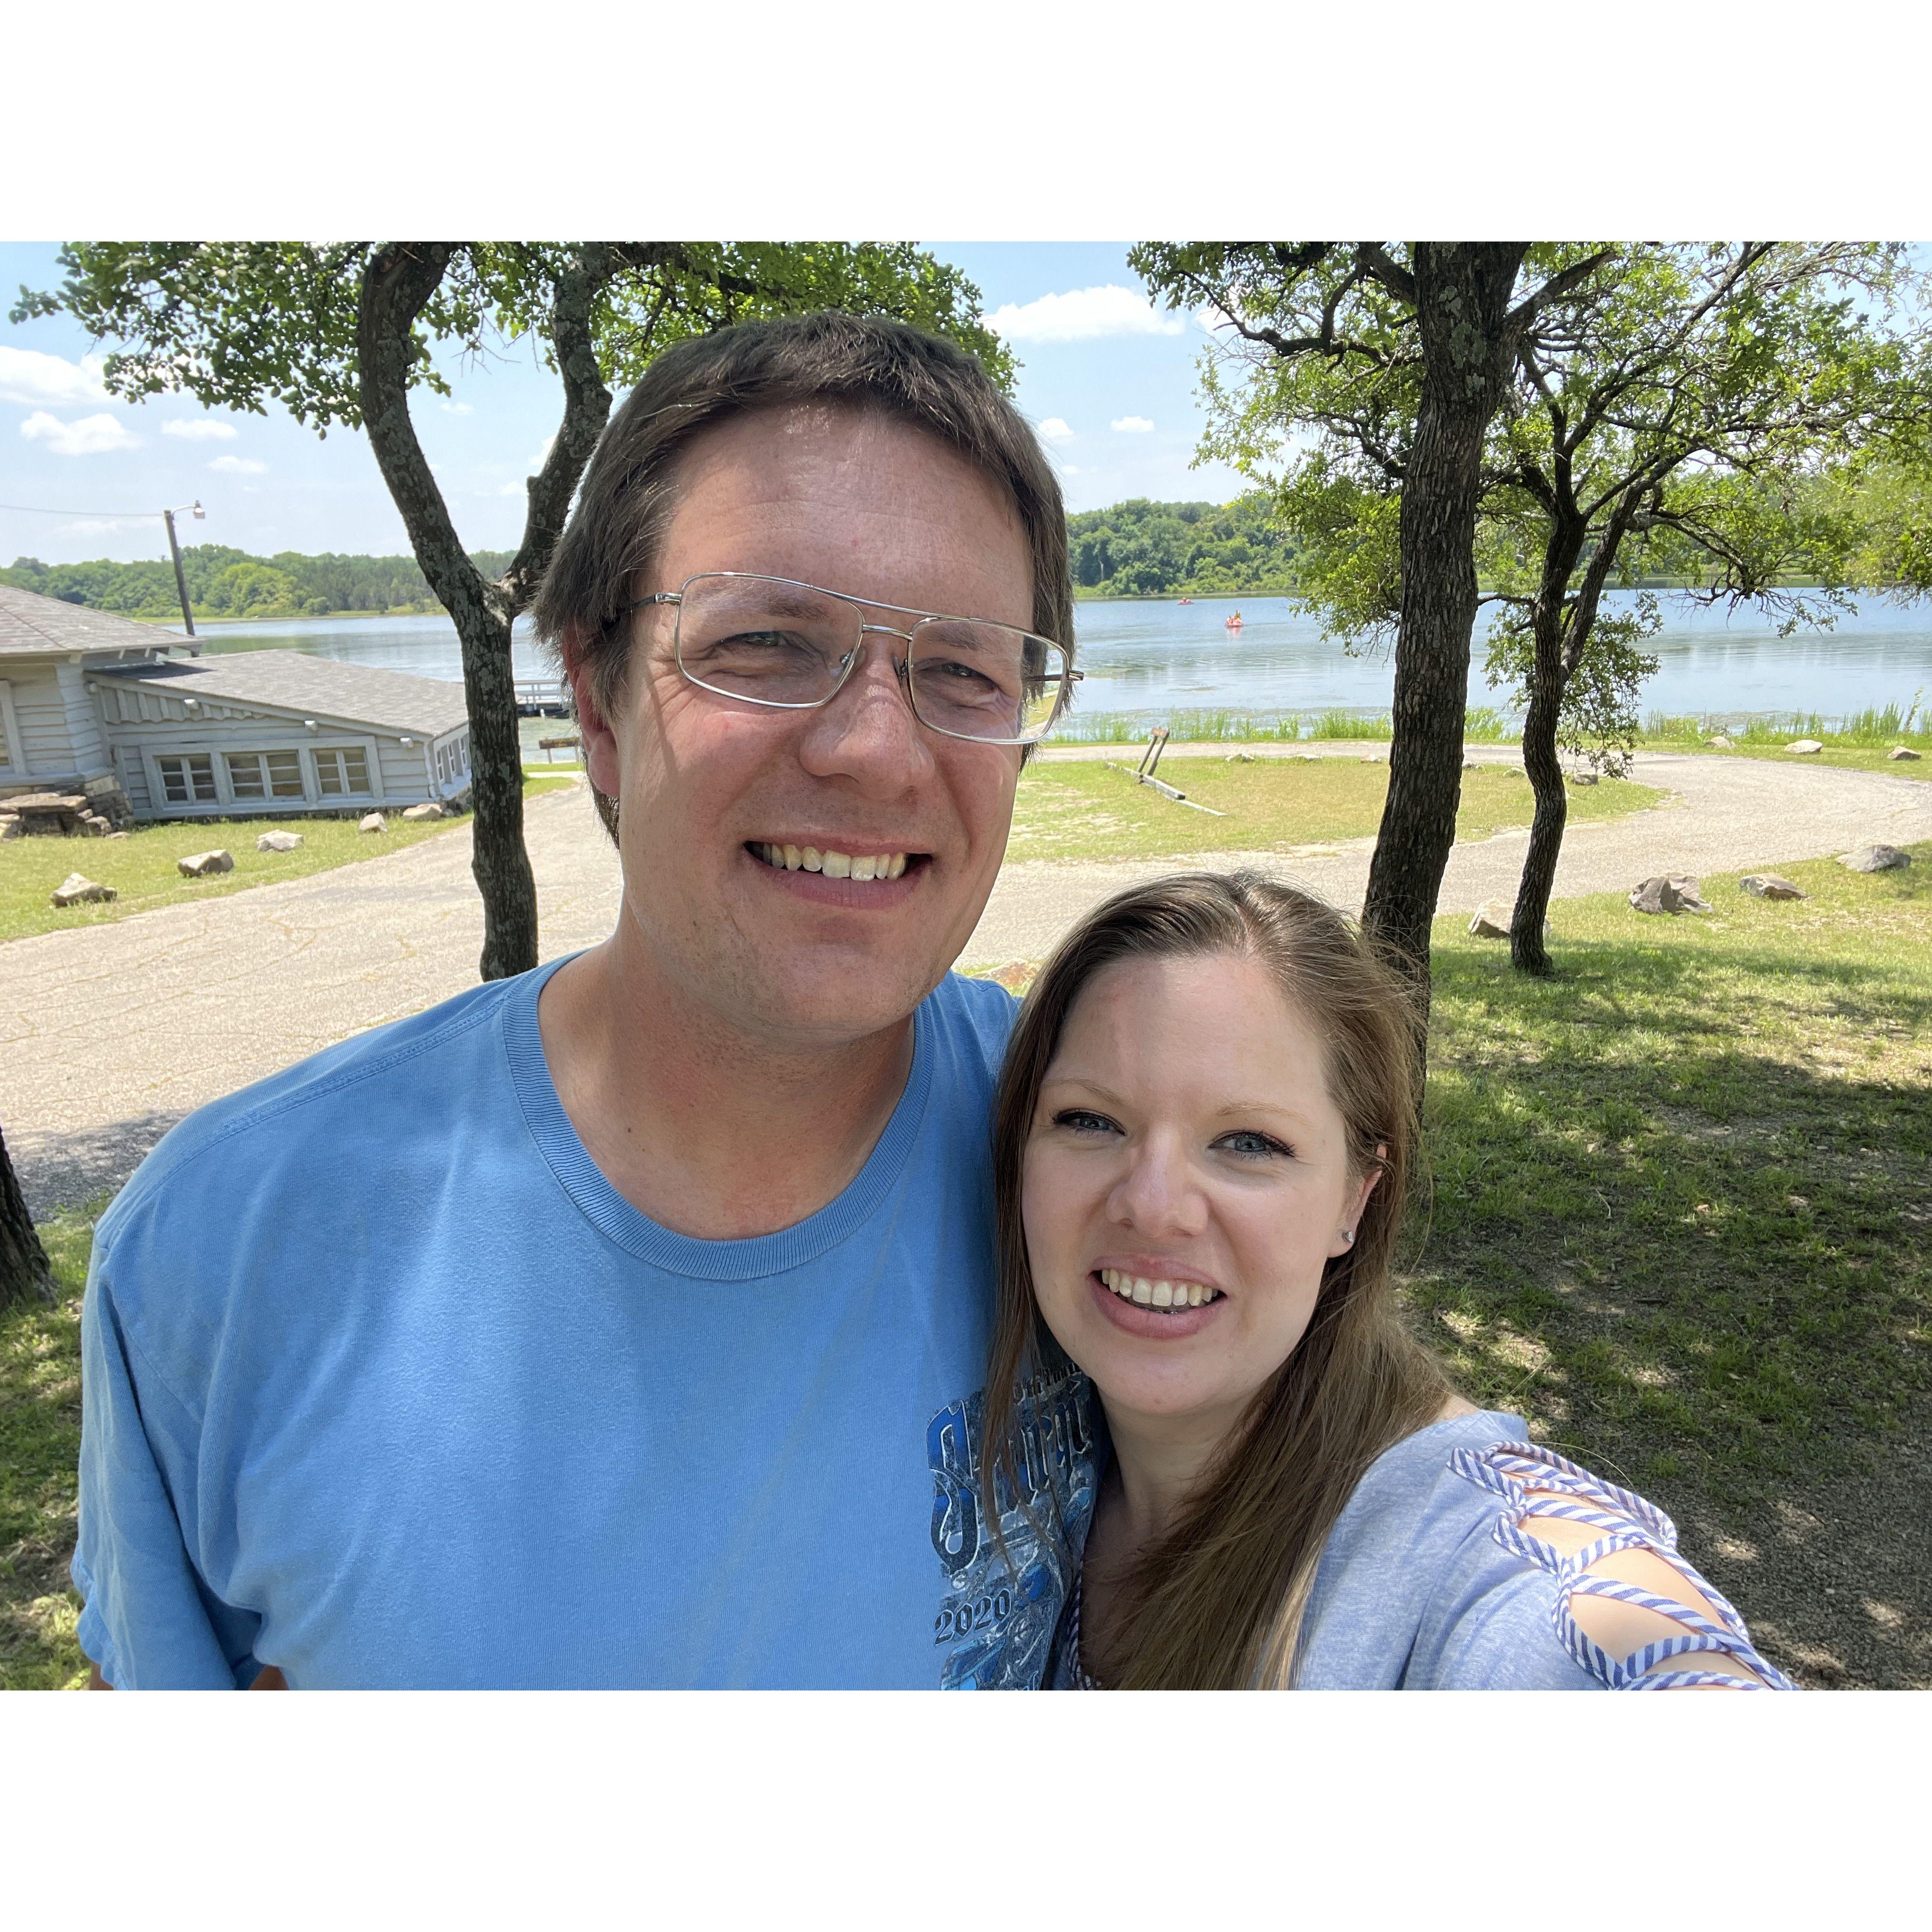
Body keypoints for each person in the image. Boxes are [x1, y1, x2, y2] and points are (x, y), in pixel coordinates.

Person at [72, 312, 1099, 1689]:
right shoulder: (228, 1251)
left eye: (965, 671)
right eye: (769, 642)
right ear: (599, 702)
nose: (873, 749)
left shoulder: (1096, 1155)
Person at [979, 872, 1792, 1690]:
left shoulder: (1478, 1549)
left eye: (1250, 1143)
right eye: (1090, 1120)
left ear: (1354, 1200)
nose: (1154, 1208)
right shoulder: (1035, 1465)